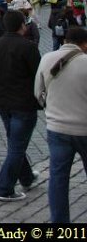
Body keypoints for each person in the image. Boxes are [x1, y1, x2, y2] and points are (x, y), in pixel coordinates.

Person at [0, 10, 42, 202]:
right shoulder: (28, 47)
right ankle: (4, 188)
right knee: (16, 146)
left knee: (16, 142)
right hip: (24, 105)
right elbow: (39, 77)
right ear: (22, 26)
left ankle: (26, 177)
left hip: (2, 103)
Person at [34, 26, 87, 223]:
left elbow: (37, 93)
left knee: (58, 177)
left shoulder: (47, 58)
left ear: (65, 40)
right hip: (84, 128)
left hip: (56, 128)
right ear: (84, 44)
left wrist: (53, 110)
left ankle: (59, 223)